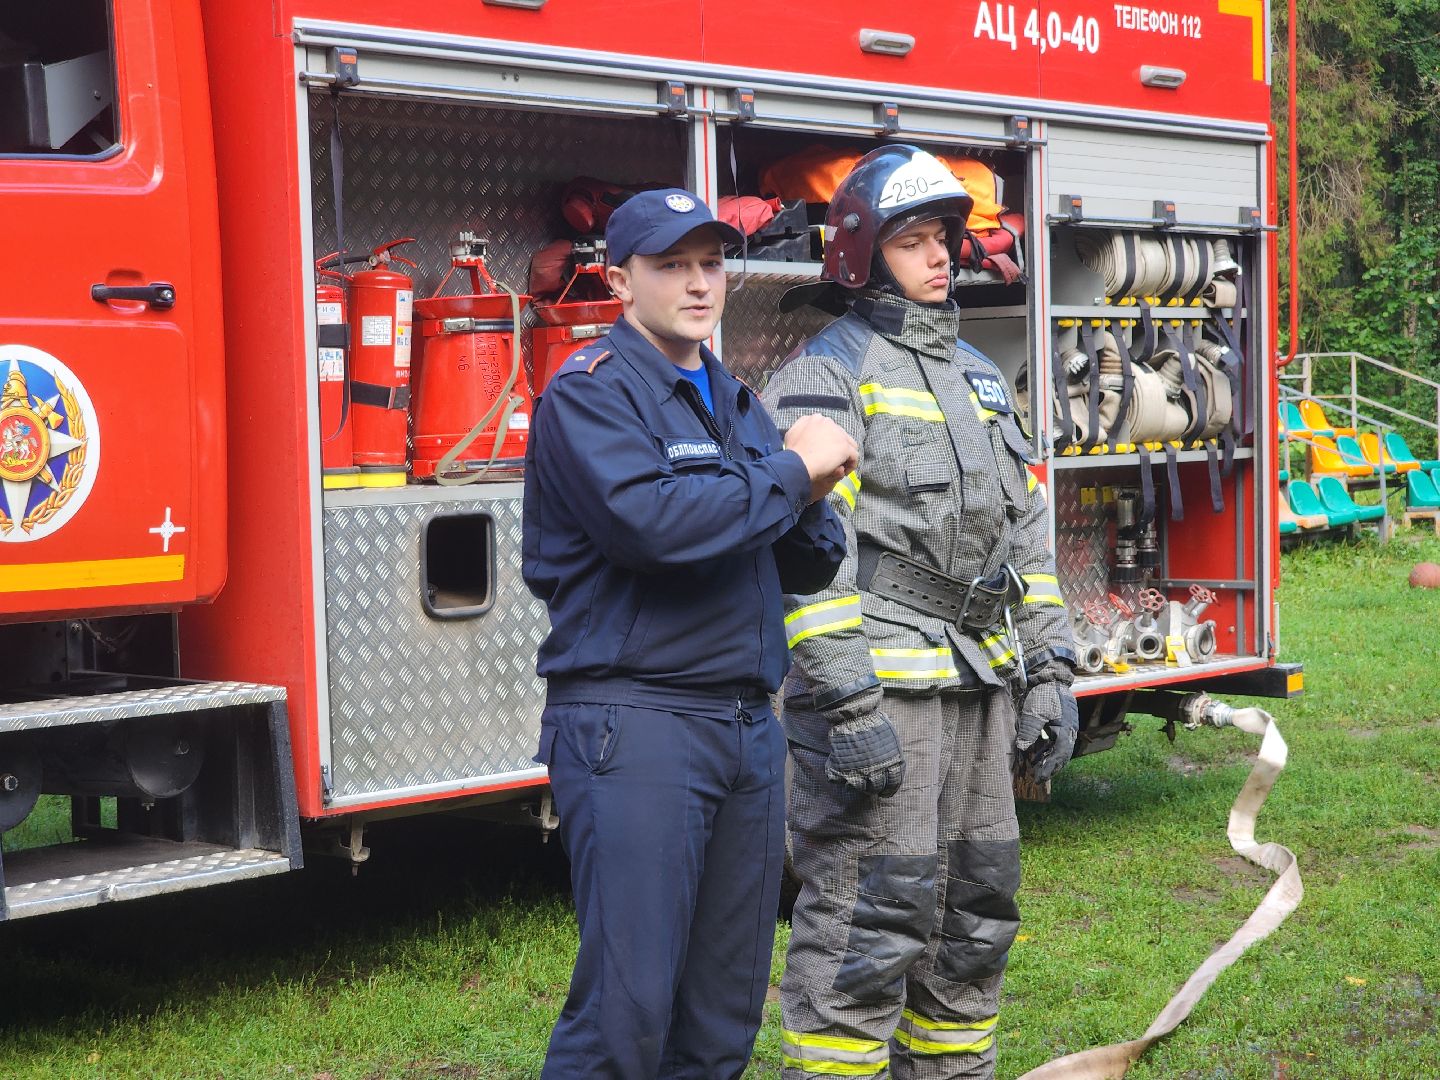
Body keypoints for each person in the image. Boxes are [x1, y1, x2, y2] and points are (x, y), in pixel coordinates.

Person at [759, 146, 1080, 1080]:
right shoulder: (825, 376)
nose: (941, 256)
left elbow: (1027, 541)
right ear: (862, 256)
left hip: (980, 683)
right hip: (881, 697)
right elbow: (809, 564)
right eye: (913, 240)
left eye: (943, 237)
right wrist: (849, 710)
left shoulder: (980, 376)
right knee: (872, 917)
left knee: (976, 917)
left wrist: (1051, 675)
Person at [522, 187, 858, 1080]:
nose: (698, 283)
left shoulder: (737, 403)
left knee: (722, 1012)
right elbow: (654, 528)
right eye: (671, 265)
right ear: (621, 278)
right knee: (626, 1015)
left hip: (747, 728)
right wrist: (793, 472)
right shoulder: (591, 394)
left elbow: (802, 563)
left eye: (710, 263)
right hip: (638, 722)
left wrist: (812, 495)